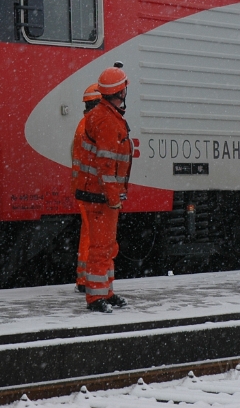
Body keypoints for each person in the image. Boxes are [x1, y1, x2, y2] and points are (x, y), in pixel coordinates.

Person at [74, 64, 133, 313]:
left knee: (108, 246)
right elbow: (106, 164)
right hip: (100, 196)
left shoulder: (104, 115)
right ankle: (96, 298)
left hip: (98, 193)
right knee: (101, 247)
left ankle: (106, 292)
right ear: (120, 92)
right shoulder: (106, 120)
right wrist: (113, 197)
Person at [71, 84, 101, 294]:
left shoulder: (83, 125)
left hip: (84, 187)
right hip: (92, 189)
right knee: (95, 236)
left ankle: (84, 278)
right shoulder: (93, 126)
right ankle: (90, 280)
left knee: (88, 233)